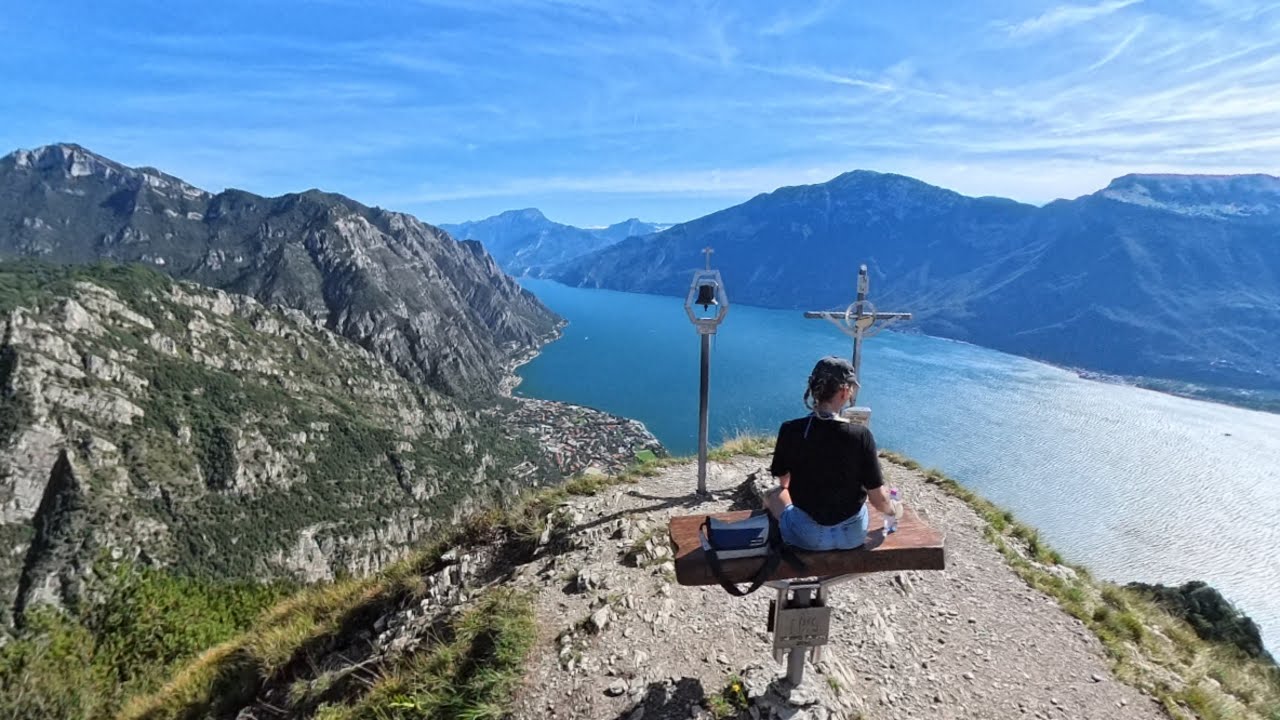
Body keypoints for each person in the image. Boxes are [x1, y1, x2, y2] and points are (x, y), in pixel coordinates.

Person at [764, 356, 901, 551]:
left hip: (808, 537)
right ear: (845, 391)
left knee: (774, 495)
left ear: (814, 389)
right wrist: (893, 511)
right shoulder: (861, 435)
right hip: (853, 536)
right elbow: (877, 498)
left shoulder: (790, 430)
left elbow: (784, 482)